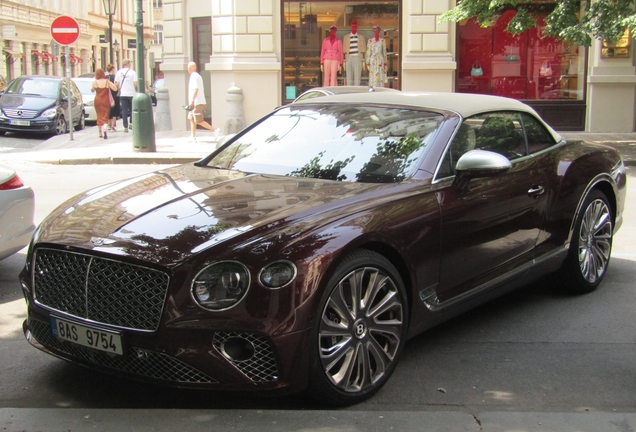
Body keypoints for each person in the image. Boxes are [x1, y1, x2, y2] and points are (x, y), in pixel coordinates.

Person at [187, 61, 217, 142]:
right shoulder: (198, 76)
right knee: (191, 118)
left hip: (197, 102)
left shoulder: (194, 76)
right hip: (198, 101)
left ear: (189, 69)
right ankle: (193, 136)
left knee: (198, 120)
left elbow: (196, 89)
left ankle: (214, 130)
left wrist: (192, 100)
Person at [91, 68, 118, 139]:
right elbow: (115, 88)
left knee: (99, 115)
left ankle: (100, 133)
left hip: (97, 100)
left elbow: (92, 90)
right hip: (105, 100)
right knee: (105, 115)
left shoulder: (95, 82)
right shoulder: (107, 81)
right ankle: (105, 129)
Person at [115, 58, 138, 133]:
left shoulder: (119, 72)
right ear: (128, 64)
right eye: (130, 63)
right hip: (131, 94)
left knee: (124, 110)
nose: (130, 64)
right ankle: (131, 122)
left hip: (123, 94)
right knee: (132, 109)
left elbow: (116, 84)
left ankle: (125, 126)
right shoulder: (133, 72)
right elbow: (135, 84)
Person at [343, 20, 366, 86]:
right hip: (349, 57)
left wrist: (363, 60)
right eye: (353, 24)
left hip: (358, 57)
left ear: (357, 26)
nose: (354, 25)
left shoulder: (361, 37)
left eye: (355, 24)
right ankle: (349, 93)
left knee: (357, 77)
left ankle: (357, 92)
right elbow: (344, 49)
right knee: (349, 77)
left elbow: (363, 49)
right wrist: (344, 61)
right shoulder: (346, 37)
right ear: (351, 25)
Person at [106, 63, 119, 131]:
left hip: (107, 95)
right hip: (114, 94)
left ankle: (108, 124)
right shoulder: (115, 77)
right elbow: (117, 86)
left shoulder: (105, 77)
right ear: (113, 69)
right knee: (114, 111)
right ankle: (113, 126)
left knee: (109, 110)